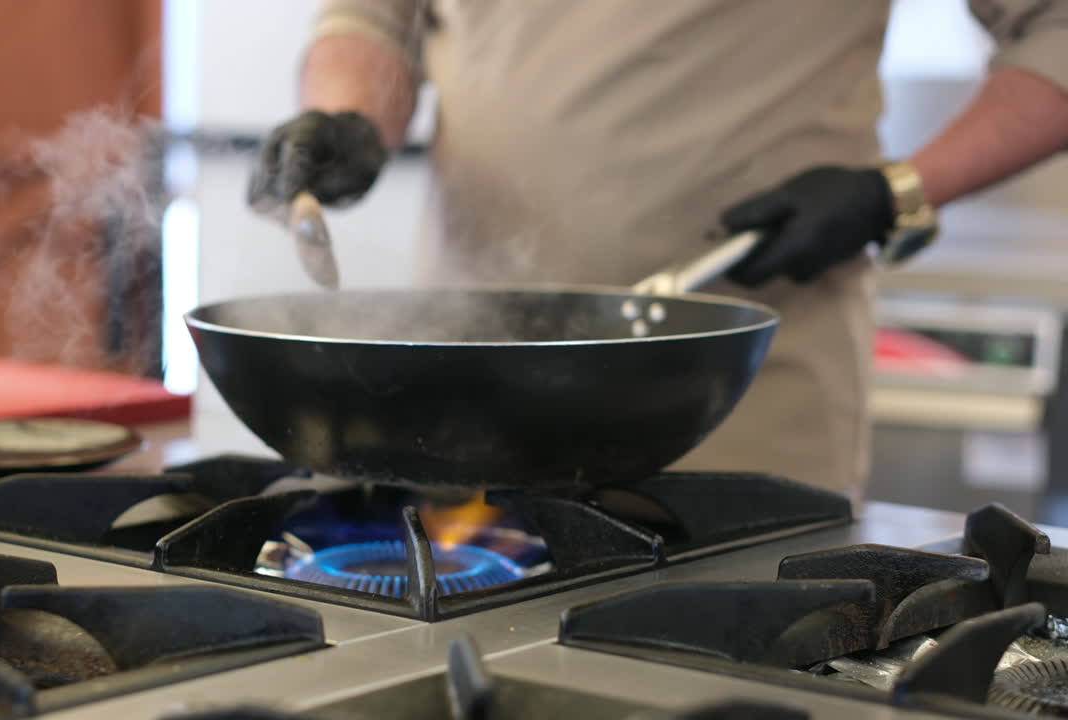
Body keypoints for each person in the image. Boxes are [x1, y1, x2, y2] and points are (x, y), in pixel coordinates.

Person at [247, 0, 1068, 503]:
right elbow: (373, 19)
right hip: (465, 391)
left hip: (740, 400)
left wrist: (895, 190)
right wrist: (348, 114)